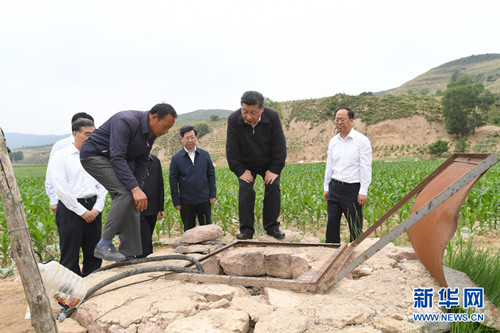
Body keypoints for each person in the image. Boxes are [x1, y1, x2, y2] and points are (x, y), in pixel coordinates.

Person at [80, 103, 177, 261]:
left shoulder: (150, 134)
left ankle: (128, 252)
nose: (166, 132)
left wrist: (137, 189)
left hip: (115, 160)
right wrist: (134, 189)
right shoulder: (125, 121)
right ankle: (103, 244)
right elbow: (117, 156)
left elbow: (142, 162)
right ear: (154, 117)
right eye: (165, 126)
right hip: (95, 156)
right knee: (125, 193)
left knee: (132, 197)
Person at [49, 118, 107, 276]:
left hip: (93, 208)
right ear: (75, 133)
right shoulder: (61, 156)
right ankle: (71, 294)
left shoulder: (97, 156)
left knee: (94, 252)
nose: (91, 138)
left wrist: (96, 209)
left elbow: (103, 184)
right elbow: (61, 188)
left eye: (93, 134)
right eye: (87, 134)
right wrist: (82, 211)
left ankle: (93, 285)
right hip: (70, 210)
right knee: (70, 253)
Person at [226, 91, 287, 240]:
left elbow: (280, 146)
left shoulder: (272, 117)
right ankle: (246, 230)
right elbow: (231, 150)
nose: (248, 116)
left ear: (262, 109)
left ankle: (272, 227)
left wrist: (274, 170)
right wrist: (240, 171)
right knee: (245, 189)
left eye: (253, 113)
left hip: (268, 163)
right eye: (244, 111)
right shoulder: (234, 119)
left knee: (273, 186)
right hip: (246, 164)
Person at [323, 107, 372, 244]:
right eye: (337, 120)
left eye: (342, 120)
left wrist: (363, 191)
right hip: (334, 187)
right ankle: (331, 250)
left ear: (351, 120)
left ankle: (355, 254)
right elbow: (329, 165)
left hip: (352, 189)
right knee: (332, 223)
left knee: (355, 224)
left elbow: (366, 167)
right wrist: (326, 186)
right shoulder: (333, 141)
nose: (339, 122)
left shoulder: (361, 141)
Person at [169, 125, 216, 231]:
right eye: (187, 138)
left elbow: (211, 174)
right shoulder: (176, 158)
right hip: (186, 201)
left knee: (206, 229)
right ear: (181, 139)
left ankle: (208, 248)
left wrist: (213, 193)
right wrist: (176, 201)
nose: (190, 140)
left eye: (192, 137)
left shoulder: (205, 155)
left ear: (196, 137)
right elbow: (173, 180)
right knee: (189, 230)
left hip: (204, 199)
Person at [45, 112, 95, 213]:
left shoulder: (94, 145)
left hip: (91, 202)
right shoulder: (61, 146)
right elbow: (52, 175)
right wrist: (54, 200)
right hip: (67, 202)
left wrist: (98, 200)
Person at [137, 154, 164, 258]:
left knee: (148, 237)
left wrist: (160, 207)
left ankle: (143, 260)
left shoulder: (155, 160)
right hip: (138, 208)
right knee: (145, 239)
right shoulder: (132, 160)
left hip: (153, 207)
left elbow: (160, 183)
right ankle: (146, 261)